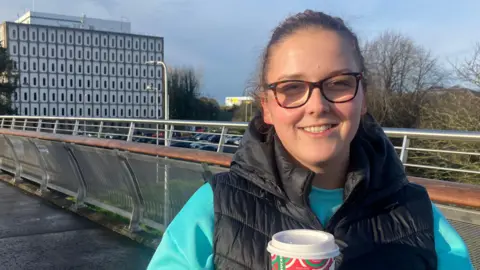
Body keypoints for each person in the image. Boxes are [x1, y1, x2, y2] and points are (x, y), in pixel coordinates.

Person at [147, 10, 474, 270]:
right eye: (291, 88)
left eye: (339, 83)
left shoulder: (420, 217)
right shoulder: (213, 210)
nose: (317, 106)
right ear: (268, 109)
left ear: (364, 99)